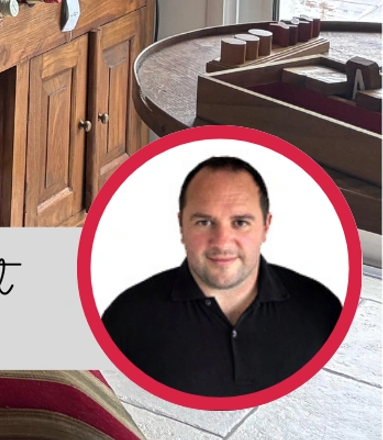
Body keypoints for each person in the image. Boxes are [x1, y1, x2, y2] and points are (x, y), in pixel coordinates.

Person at [100, 155, 342, 397]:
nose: (222, 242)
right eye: (204, 222)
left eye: (240, 222)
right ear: (182, 226)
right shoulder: (127, 315)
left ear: (265, 227)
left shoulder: (322, 309)